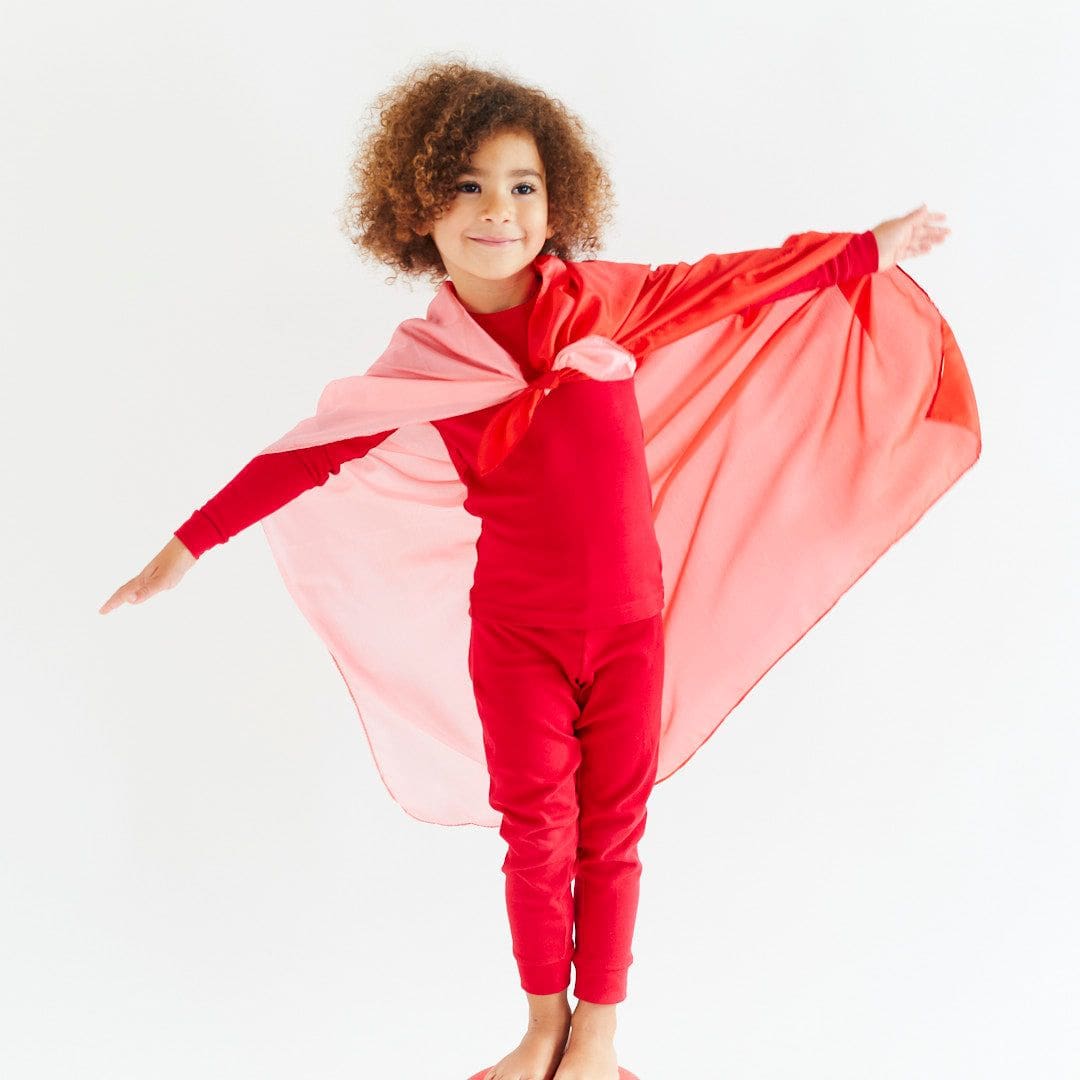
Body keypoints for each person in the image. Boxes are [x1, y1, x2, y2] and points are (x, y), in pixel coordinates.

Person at [100, 58, 979, 1080]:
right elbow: (306, 454)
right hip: (516, 639)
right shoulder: (426, 363)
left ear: (555, 203)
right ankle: (541, 1027)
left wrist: (865, 249)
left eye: (522, 186)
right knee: (536, 833)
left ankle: (597, 1037)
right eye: (467, 186)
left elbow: (730, 282)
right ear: (417, 210)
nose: (498, 211)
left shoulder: (607, 305)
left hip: (630, 628)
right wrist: (186, 545)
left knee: (612, 833)